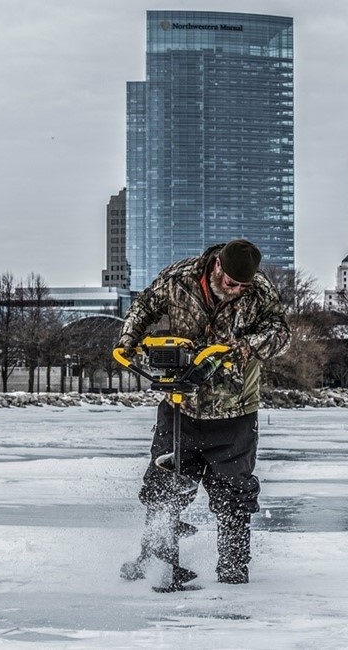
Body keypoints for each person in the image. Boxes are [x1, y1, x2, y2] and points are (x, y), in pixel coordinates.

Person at [117, 239, 291, 585]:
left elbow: (281, 334)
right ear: (216, 267)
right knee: (163, 487)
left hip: (235, 411)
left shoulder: (258, 291)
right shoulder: (180, 278)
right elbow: (144, 306)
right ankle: (158, 563)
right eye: (231, 282)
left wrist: (239, 348)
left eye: (243, 285)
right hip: (180, 404)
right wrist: (127, 340)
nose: (236, 290)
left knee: (235, 497)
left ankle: (233, 571)